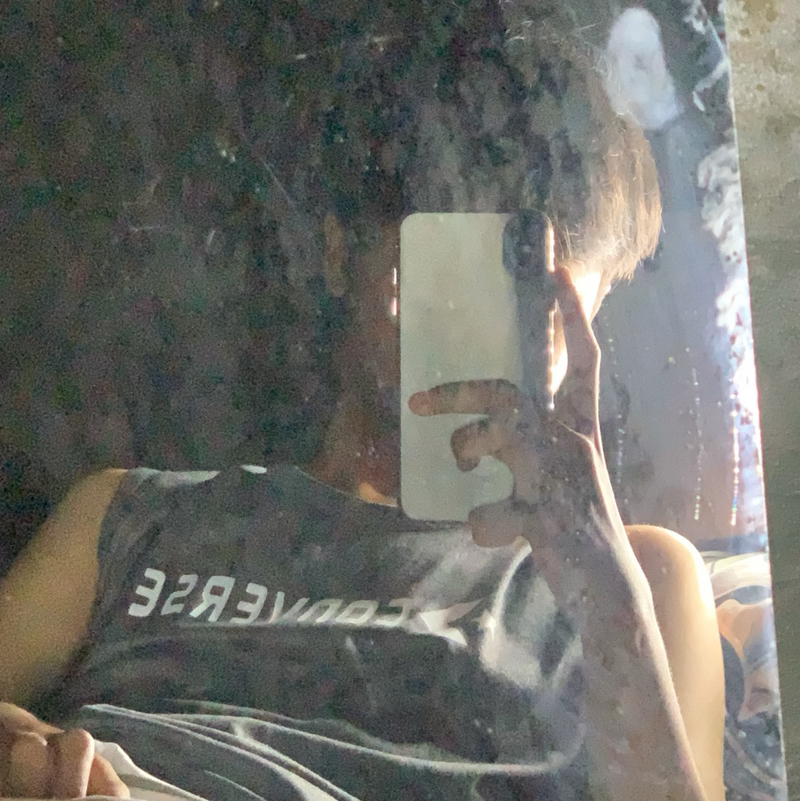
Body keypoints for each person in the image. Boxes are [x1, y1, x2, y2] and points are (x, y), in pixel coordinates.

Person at [0, 1, 725, 799]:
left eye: (536, 302)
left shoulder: (638, 580)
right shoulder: (127, 515)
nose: (481, 326)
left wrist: (604, 588)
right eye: (453, 274)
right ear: (343, 254)